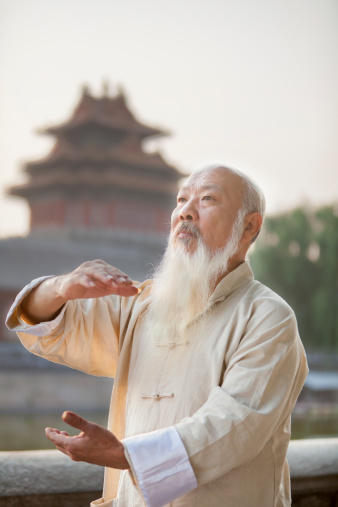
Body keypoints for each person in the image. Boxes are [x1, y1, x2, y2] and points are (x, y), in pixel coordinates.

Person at [6, 165, 308, 507]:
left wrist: (126, 456)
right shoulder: (142, 304)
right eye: (181, 200)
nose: (185, 211)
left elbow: (239, 422)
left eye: (207, 199)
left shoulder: (268, 316)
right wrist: (62, 287)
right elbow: (49, 324)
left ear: (250, 226)